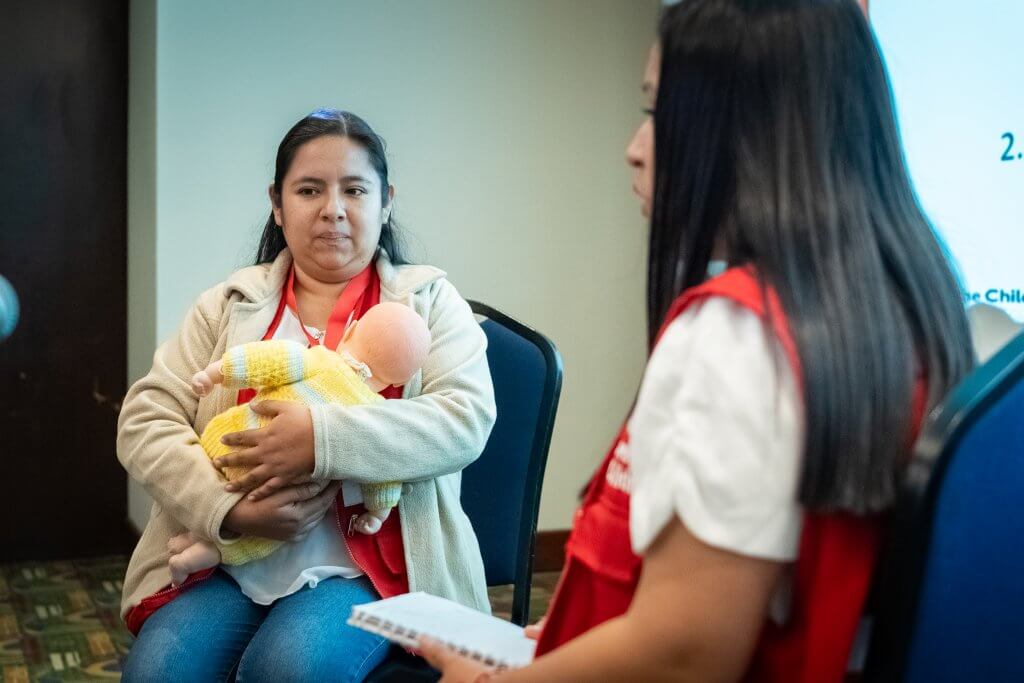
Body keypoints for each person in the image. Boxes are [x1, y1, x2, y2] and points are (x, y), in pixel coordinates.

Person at [421, 1, 974, 681]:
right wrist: (591, 638)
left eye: (657, 111)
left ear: (750, 131)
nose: (634, 146)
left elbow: (686, 652)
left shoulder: (738, 336)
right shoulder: (907, 299)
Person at [117, 108, 496, 682]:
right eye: (309, 189)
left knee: (289, 668)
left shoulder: (429, 304)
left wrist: (319, 440)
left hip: (369, 568)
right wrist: (230, 510)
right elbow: (145, 418)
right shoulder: (227, 305)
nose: (333, 209)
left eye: (355, 190)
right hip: (231, 556)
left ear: (386, 201)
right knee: (158, 671)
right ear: (277, 203)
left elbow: (464, 420)